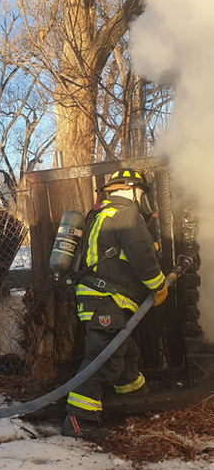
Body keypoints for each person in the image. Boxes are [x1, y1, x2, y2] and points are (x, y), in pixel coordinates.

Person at [62, 168, 168, 440]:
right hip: (104, 300)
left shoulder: (102, 214)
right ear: (132, 190)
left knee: (123, 348)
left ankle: (132, 389)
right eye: (143, 193)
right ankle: (79, 420)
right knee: (103, 358)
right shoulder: (126, 214)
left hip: (100, 299)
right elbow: (143, 256)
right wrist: (159, 286)